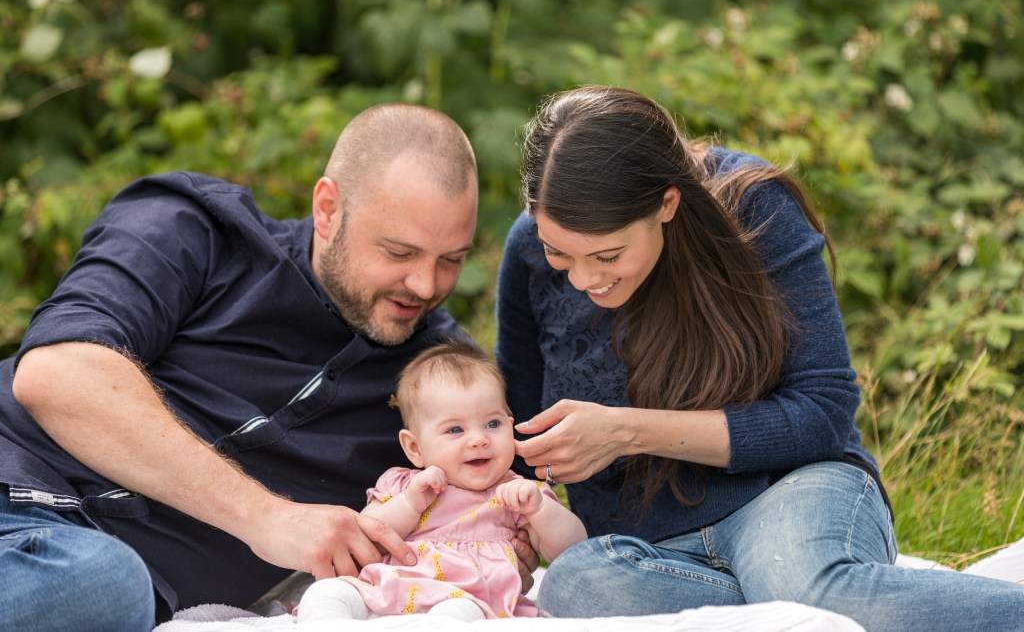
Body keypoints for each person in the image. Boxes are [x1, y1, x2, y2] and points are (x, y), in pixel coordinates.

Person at [495, 86, 1024, 630]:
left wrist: (625, 432)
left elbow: (823, 413)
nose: (583, 278)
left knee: (805, 588)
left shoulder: (752, 206)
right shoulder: (527, 250)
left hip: (790, 494)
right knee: (575, 585)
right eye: (559, 253)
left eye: (608, 255)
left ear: (667, 205)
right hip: (646, 554)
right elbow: (512, 437)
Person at [0, 103, 542, 631]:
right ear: (328, 209)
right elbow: (56, 372)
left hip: (108, 585)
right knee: (99, 585)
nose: (425, 285)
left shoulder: (441, 381)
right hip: (17, 495)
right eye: (399, 253)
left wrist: (502, 546)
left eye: (451, 260)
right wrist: (267, 517)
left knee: (101, 585)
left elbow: (503, 502)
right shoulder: (194, 227)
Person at [296, 341, 586, 622]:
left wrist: (541, 510)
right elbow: (367, 538)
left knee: (460, 612)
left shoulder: (517, 495)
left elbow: (572, 552)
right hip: (388, 590)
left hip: (465, 598)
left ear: (511, 427)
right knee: (327, 592)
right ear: (414, 448)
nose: (479, 439)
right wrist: (409, 504)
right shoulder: (403, 485)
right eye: (455, 429)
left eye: (493, 424)